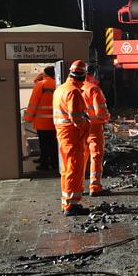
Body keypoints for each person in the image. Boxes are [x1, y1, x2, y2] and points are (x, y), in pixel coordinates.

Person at [53, 60, 91, 216]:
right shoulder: (73, 92)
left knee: (67, 169)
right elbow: (76, 118)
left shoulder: (60, 89)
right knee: (74, 169)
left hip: (63, 134)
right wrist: (87, 125)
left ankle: (66, 202)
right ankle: (71, 206)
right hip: (72, 135)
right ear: (83, 76)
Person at [82, 64, 110, 195]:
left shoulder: (73, 88)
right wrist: (106, 119)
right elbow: (101, 114)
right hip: (94, 128)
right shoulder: (93, 89)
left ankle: (78, 186)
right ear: (94, 74)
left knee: (80, 158)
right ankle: (95, 187)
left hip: (79, 128)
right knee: (96, 157)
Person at [24, 66, 57, 170]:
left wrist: (28, 118)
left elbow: (33, 102)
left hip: (42, 122)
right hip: (55, 121)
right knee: (53, 143)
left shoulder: (41, 84)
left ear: (45, 74)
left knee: (44, 144)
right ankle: (54, 163)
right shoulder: (58, 84)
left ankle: (44, 164)